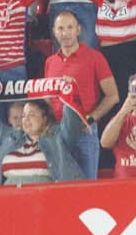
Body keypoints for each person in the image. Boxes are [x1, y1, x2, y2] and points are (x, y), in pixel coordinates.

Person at [42, 11, 119, 179]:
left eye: (70, 27)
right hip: (57, 133)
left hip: (85, 131)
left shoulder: (95, 57)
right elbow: (47, 99)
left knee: (86, 189)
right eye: (60, 28)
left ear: (78, 30)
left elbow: (113, 95)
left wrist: (91, 118)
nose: (65, 33)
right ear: (54, 31)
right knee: (60, 189)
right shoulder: (50, 62)